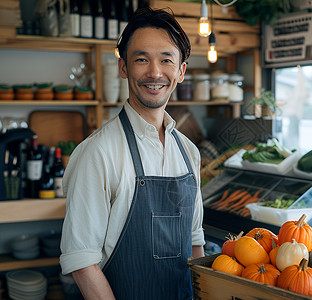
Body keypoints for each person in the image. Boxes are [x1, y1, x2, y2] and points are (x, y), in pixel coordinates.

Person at [59, 7, 205, 299]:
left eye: (166, 59)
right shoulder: (97, 153)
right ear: (123, 67)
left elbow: (195, 243)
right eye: (141, 59)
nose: (154, 72)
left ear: (181, 70)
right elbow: (82, 261)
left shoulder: (188, 151)